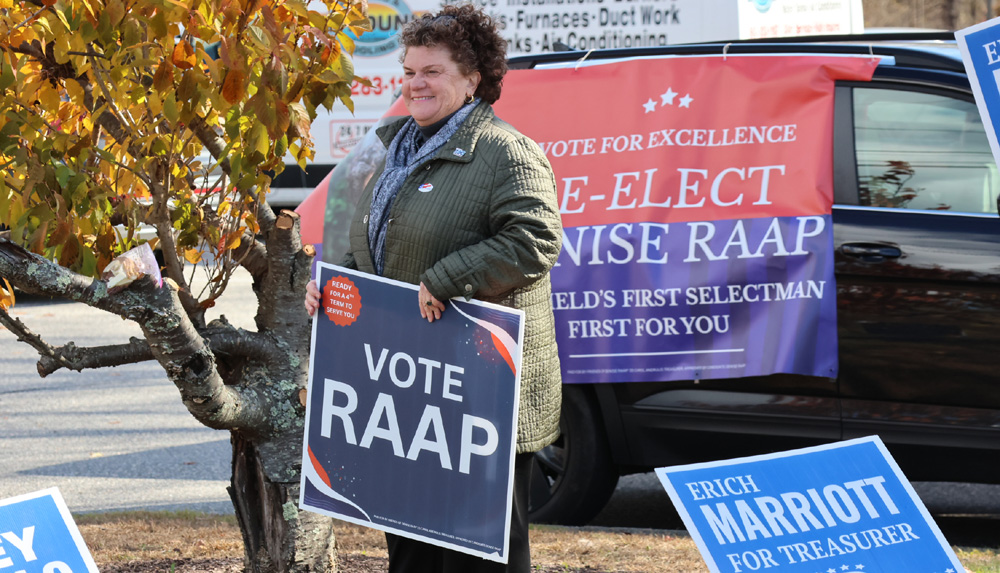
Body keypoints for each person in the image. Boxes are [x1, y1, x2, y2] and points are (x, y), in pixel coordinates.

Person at [304, 4, 563, 571]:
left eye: (433, 71)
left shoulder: (505, 151)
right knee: (411, 542)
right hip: (407, 392)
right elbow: (365, 237)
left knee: (478, 552)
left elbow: (537, 242)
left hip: (478, 391)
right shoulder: (392, 145)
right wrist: (336, 288)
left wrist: (446, 279)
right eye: (409, 71)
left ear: (473, 80)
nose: (415, 83)